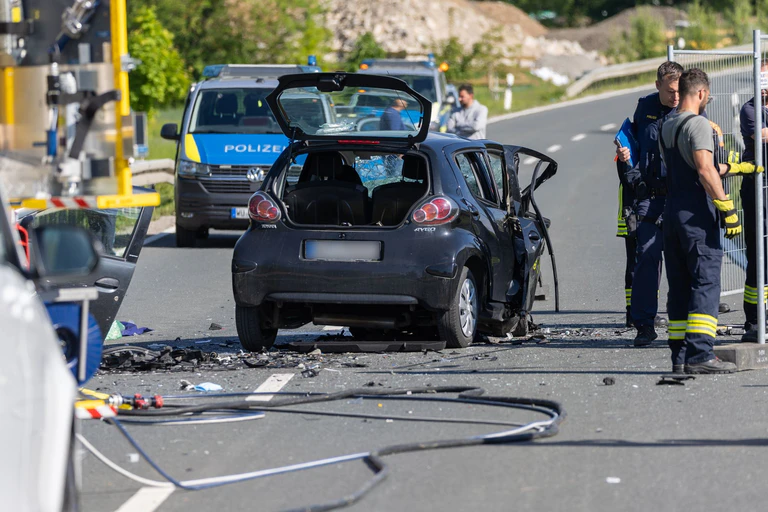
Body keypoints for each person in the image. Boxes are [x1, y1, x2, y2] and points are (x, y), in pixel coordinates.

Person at [659, 68, 761, 374]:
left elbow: (692, 165)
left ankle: (680, 357)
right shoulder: (699, 124)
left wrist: (734, 167)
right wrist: (727, 208)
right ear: (701, 93)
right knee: (706, 281)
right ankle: (701, 354)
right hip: (696, 215)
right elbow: (704, 170)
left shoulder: (667, 124)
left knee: (679, 286)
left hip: (672, 212)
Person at [616, 61, 683, 342]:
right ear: (658, 86)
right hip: (650, 197)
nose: (675, 97)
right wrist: (631, 172)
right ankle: (644, 324)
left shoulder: (690, 108)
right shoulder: (645, 107)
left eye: (679, 91)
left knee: (682, 261)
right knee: (646, 257)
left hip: (680, 197)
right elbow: (633, 145)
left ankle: (685, 323)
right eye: (670, 91)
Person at [739, 67, 768, 341]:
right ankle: (755, 318)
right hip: (757, 188)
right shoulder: (750, 110)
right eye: (761, 78)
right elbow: (761, 136)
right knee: (759, 252)